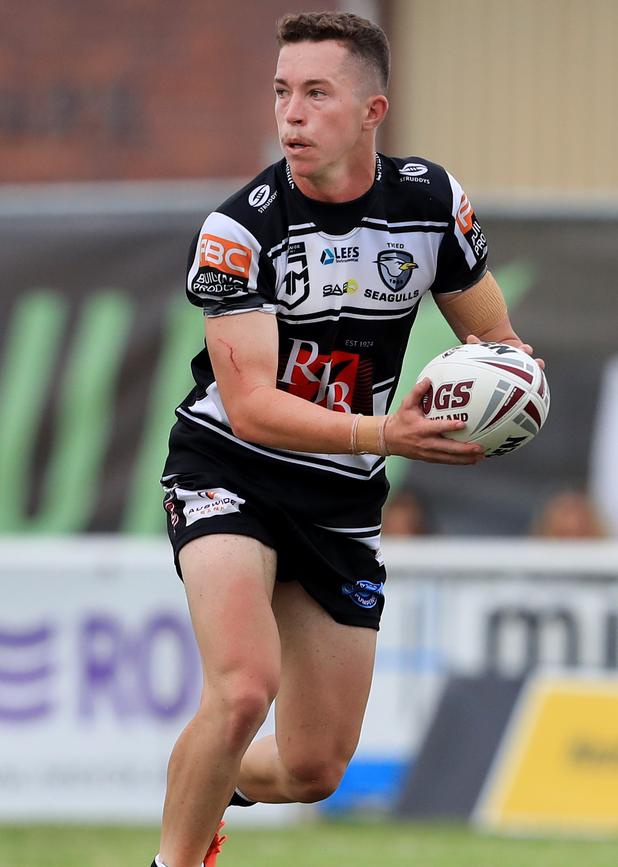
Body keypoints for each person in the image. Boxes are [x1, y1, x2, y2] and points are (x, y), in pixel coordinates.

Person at [153, 11, 541, 867]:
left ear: (374, 111)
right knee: (245, 685)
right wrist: (386, 430)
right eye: (282, 92)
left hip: (340, 492)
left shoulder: (432, 205)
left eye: (317, 94)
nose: (291, 114)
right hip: (231, 469)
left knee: (316, 765)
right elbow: (250, 406)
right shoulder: (238, 231)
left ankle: (208, 777)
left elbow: (499, 342)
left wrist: (512, 386)